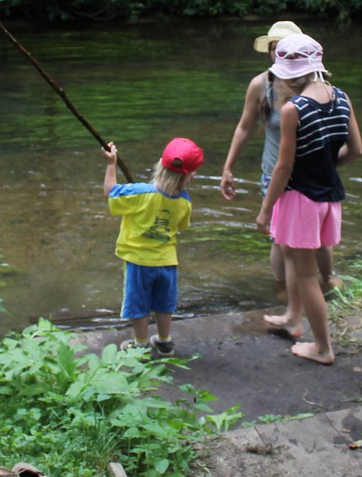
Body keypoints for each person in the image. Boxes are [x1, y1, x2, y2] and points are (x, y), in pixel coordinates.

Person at [255, 34, 362, 365]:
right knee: (290, 253)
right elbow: (356, 149)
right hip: (328, 196)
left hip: (299, 199)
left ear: (292, 75)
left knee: (305, 274)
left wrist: (265, 210)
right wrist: (327, 165)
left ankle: (323, 347)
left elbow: (284, 167)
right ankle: (291, 317)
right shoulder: (341, 98)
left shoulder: (293, 109)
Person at [220, 21, 340, 301]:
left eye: (284, 49)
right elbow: (245, 127)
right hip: (276, 173)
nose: (279, 54)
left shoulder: (317, 85)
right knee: (280, 237)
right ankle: (282, 290)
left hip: (315, 172)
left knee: (320, 235)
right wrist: (228, 167)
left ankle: (328, 278)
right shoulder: (261, 85)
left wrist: (334, 162)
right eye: (275, 49)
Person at [103, 137, 204, 359]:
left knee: (138, 303)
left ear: (160, 162)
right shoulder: (184, 201)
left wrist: (111, 165)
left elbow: (110, 192)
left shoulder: (138, 192)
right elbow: (180, 225)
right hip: (167, 263)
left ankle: (140, 345)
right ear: (190, 176)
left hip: (139, 262)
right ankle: (164, 342)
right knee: (163, 304)